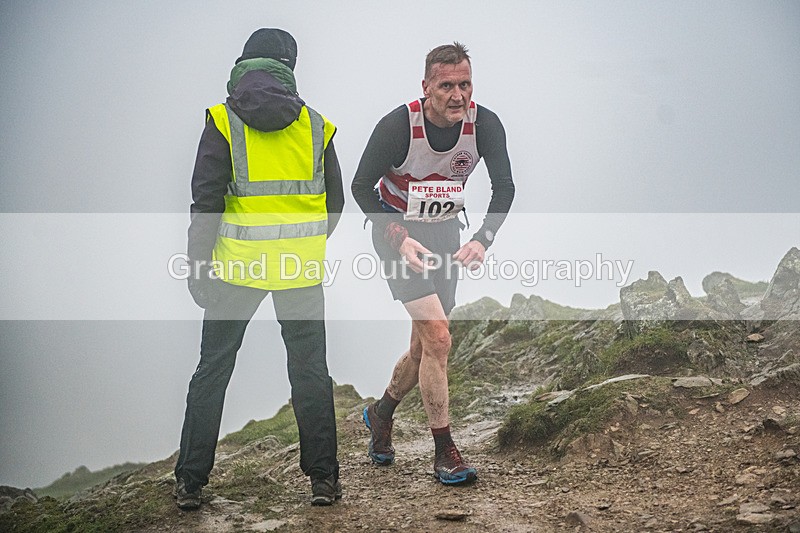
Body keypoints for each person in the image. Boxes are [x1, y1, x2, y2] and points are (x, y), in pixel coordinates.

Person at [174, 28, 344, 509]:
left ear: (244, 63)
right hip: (300, 271)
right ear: (289, 66)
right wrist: (303, 244)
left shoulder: (222, 122)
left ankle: (190, 482)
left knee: (213, 369)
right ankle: (324, 480)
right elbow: (336, 203)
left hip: (235, 270)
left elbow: (205, 202)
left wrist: (198, 267)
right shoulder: (317, 126)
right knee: (311, 371)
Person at [352, 42, 515, 484]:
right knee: (440, 337)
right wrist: (398, 237)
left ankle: (380, 413)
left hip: (445, 235)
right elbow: (361, 188)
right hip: (396, 235)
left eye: (464, 84)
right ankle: (445, 452)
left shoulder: (485, 125)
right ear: (426, 86)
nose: (457, 95)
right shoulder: (398, 125)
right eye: (446, 86)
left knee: (425, 346)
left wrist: (483, 239)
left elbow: (505, 189)